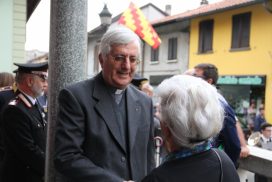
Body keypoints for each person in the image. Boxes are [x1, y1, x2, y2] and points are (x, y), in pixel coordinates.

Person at [54, 25, 155, 182]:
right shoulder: (75, 97)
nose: (127, 66)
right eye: (119, 58)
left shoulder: (145, 102)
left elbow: (148, 159)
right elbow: (66, 157)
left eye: (133, 59)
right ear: (102, 59)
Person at [142, 75, 239, 182]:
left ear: (168, 127)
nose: (157, 115)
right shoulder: (223, 161)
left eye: (160, 113)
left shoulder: (157, 178)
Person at [1, 61, 48, 182]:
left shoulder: (33, 103)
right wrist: (51, 167)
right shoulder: (14, 109)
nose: (46, 83)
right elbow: (28, 150)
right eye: (43, 79)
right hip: (22, 176)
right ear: (30, 81)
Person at [192, 63, 241, 167]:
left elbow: (233, 145)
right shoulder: (193, 100)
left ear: (209, 81)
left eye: (196, 77)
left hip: (205, 167)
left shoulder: (220, 105)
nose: (192, 79)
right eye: (192, 76)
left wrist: (223, 171)